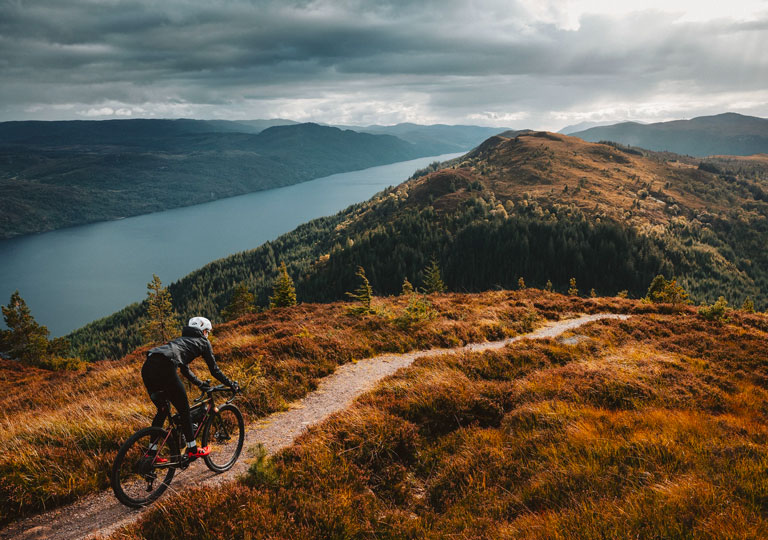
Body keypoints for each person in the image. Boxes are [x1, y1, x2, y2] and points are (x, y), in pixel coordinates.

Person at [141, 316, 239, 461]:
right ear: (204, 331)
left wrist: (200, 383)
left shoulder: (181, 341)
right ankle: (192, 449)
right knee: (184, 410)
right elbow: (214, 370)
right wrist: (231, 384)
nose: (208, 335)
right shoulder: (204, 342)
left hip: (148, 366)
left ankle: (151, 454)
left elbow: (184, 369)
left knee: (163, 410)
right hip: (166, 367)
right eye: (208, 332)